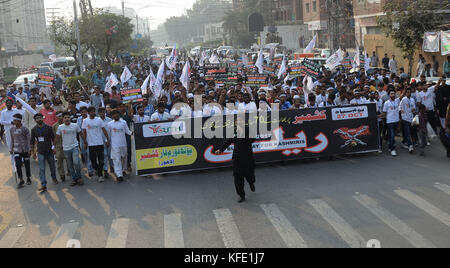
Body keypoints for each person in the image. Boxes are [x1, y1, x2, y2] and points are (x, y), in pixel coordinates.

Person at [216, 117, 256, 203]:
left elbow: (253, 139)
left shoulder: (248, 129)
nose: (239, 121)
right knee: (237, 176)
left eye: (241, 120)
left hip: (247, 157)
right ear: (235, 122)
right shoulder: (234, 131)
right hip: (237, 158)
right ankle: (241, 195)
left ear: (243, 122)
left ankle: (251, 182)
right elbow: (229, 141)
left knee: (249, 174)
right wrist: (221, 150)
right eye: (237, 120)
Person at [30, 113, 58, 193]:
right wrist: (33, 153)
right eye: (37, 118)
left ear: (43, 118)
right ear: (35, 120)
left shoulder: (49, 128)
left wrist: (54, 148)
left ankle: (54, 177)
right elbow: (32, 142)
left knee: (52, 166)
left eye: (40, 118)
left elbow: (53, 138)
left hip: (49, 150)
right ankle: (43, 184)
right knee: (41, 169)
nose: (39, 119)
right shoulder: (34, 130)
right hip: (40, 151)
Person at [82, 106, 110, 183]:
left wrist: (107, 140)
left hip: (100, 143)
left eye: (94, 111)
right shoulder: (85, 121)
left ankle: (100, 175)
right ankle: (98, 170)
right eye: (91, 112)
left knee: (101, 160)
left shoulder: (99, 120)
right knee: (93, 160)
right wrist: (85, 142)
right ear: (88, 113)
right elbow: (84, 132)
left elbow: (104, 130)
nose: (93, 113)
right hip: (91, 144)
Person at [56, 112, 84, 186]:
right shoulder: (60, 127)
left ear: (70, 118)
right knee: (70, 165)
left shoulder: (75, 125)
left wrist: (85, 142)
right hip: (66, 148)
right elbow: (57, 138)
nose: (67, 119)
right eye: (65, 117)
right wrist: (55, 147)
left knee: (76, 162)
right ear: (63, 119)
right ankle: (74, 179)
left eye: (68, 117)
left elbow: (81, 133)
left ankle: (79, 177)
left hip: (74, 146)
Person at [107, 110, 132, 182]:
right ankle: (119, 175)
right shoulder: (110, 124)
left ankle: (123, 170)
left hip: (123, 144)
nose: (115, 116)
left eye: (116, 114)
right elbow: (108, 134)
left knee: (124, 157)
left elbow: (127, 131)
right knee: (117, 159)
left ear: (119, 114)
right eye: (113, 114)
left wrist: (133, 133)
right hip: (115, 145)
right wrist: (107, 141)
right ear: (112, 116)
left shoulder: (123, 122)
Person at [10, 113, 31, 188]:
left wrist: (29, 149)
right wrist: (11, 148)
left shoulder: (25, 129)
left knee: (27, 164)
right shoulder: (12, 129)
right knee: (18, 164)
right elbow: (12, 139)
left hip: (25, 149)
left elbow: (28, 140)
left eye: (15, 120)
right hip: (16, 150)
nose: (13, 121)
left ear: (19, 121)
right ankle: (21, 179)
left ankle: (28, 177)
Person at [382, 88, 401, 156]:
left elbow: (402, 95)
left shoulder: (397, 100)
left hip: (396, 121)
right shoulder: (386, 103)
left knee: (392, 136)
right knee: (392, 135)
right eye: (391, 94)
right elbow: (384, 113)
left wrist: (405, 87)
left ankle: (390, 145)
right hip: (389, 121)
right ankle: (392, 149)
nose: (393, 95)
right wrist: (380, 117)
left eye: (393, 93)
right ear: (389, 95)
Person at [399, 88, 415, 153]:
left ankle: (403, 142)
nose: (409, 93)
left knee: (408, 132)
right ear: (406, 93)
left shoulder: (412, 99)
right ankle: (410, 146)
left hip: (411, 118)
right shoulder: (403, 99)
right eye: (407, 92)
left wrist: (413, 110)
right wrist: (401, 110)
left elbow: (413, 107)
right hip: (405, 118)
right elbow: (399, 106)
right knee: (408, 133)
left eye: (409, 92)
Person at [52, 112, 67, 182]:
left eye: (61, 116)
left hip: (68, 145)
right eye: (59, 116)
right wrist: (53, 147)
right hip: (59, 146)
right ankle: (62, 175)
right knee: (59, 162)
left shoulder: (67, 124)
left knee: (69, 161)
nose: (60, 117)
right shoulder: (54, 126)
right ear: (56, 117)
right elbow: (53, 137)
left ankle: (70, 171)